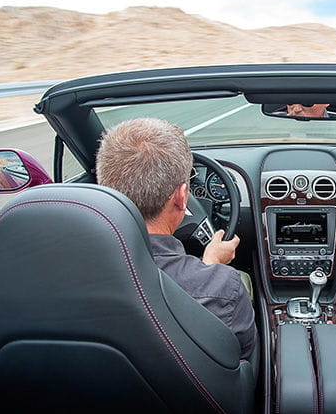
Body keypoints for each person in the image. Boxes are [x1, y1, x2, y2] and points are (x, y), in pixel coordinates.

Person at [96, 118, 256, 359]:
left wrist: (207, 268)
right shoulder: (224, 288)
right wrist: (210, 270)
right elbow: (243, 352)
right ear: (182, 197)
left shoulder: (62, 271)